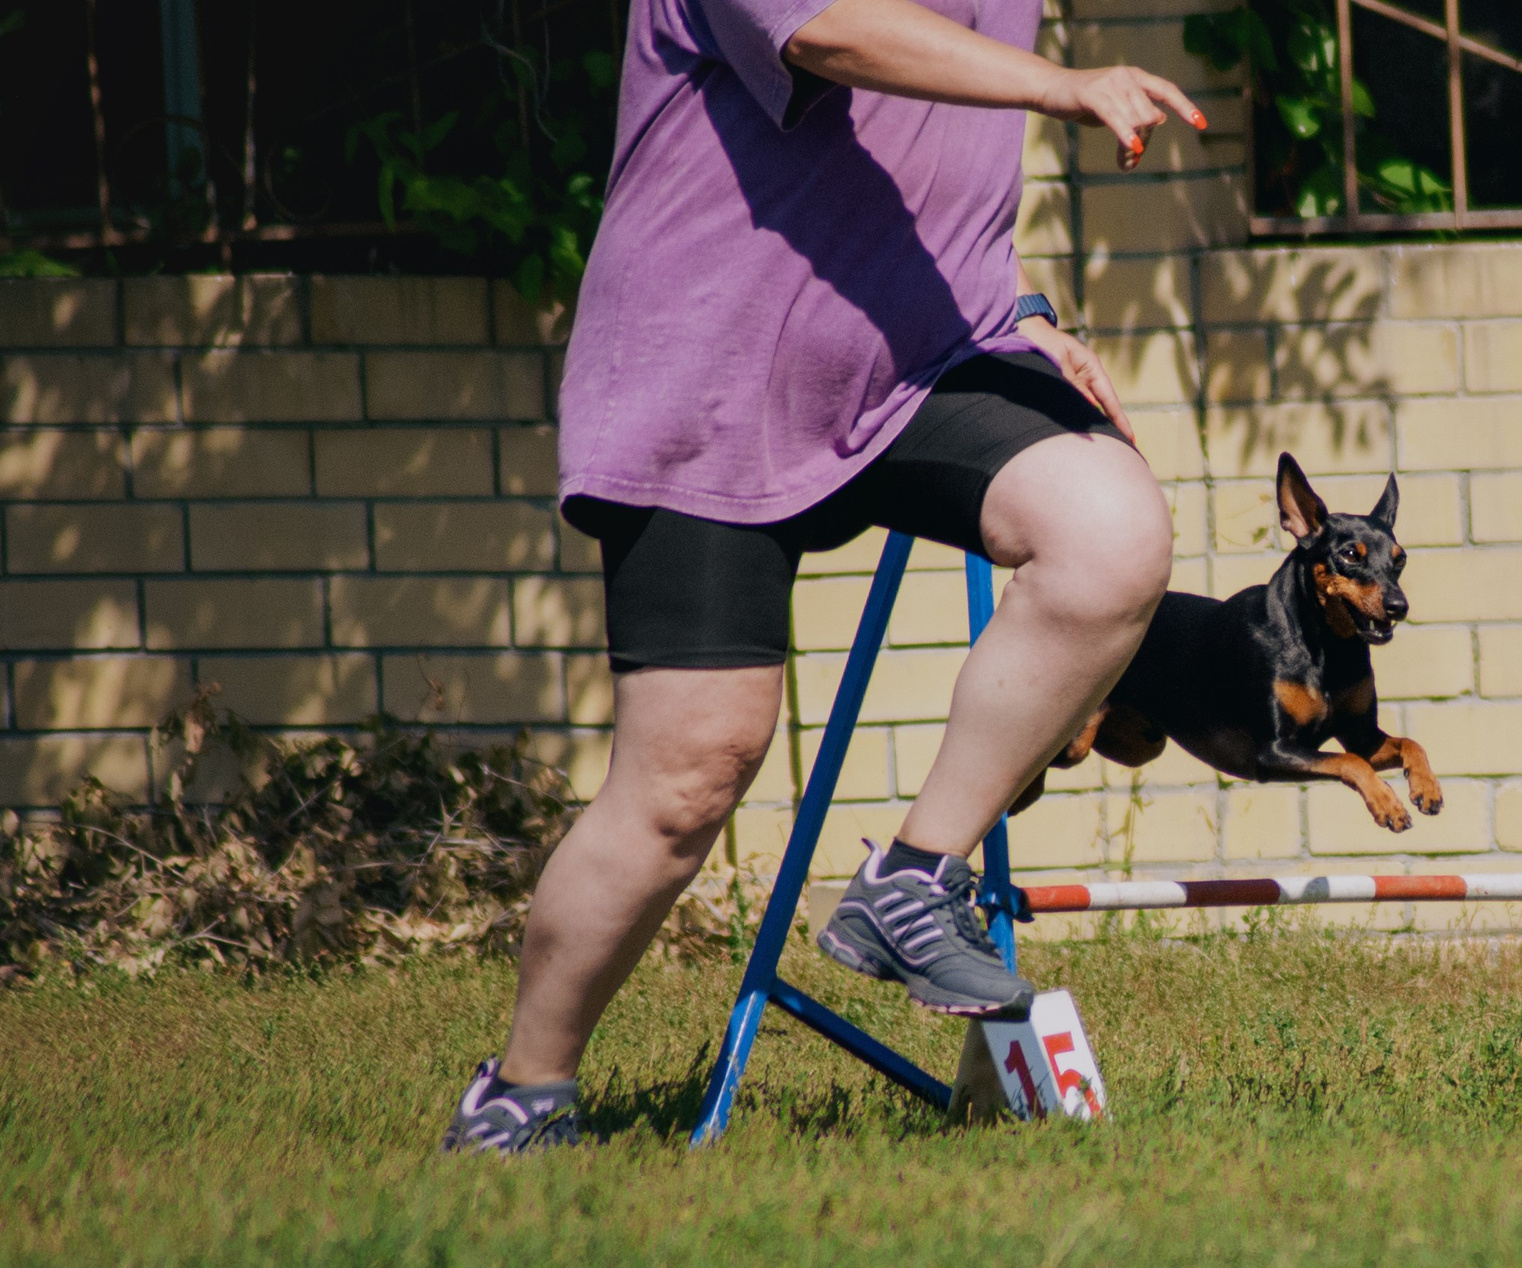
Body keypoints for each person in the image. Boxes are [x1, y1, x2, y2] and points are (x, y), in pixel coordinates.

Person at [442, 0, 1200, 1152]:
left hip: (921, 366)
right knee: (687, 778)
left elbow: (932, 160)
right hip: (705, 374)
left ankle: (914, 880)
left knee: (1110, 531)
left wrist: (1016, 306)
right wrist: (1066, 85)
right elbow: (825, 30)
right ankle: (522, 1095)